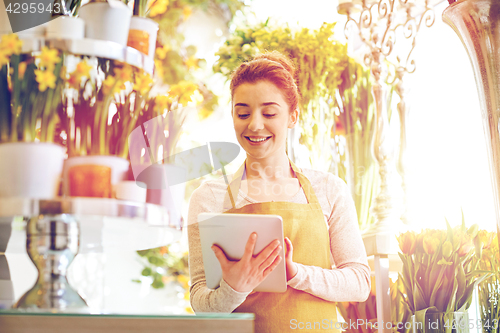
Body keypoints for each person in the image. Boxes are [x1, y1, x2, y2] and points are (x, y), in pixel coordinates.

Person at [187, 51, 370, 332]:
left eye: (269, 113)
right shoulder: (208, 197)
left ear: (292, 116)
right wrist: (233, 288)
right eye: (243, 113)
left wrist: (295, 274)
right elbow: (201, 302)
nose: (254, 125)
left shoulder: (329, 189)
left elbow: (359, 283)